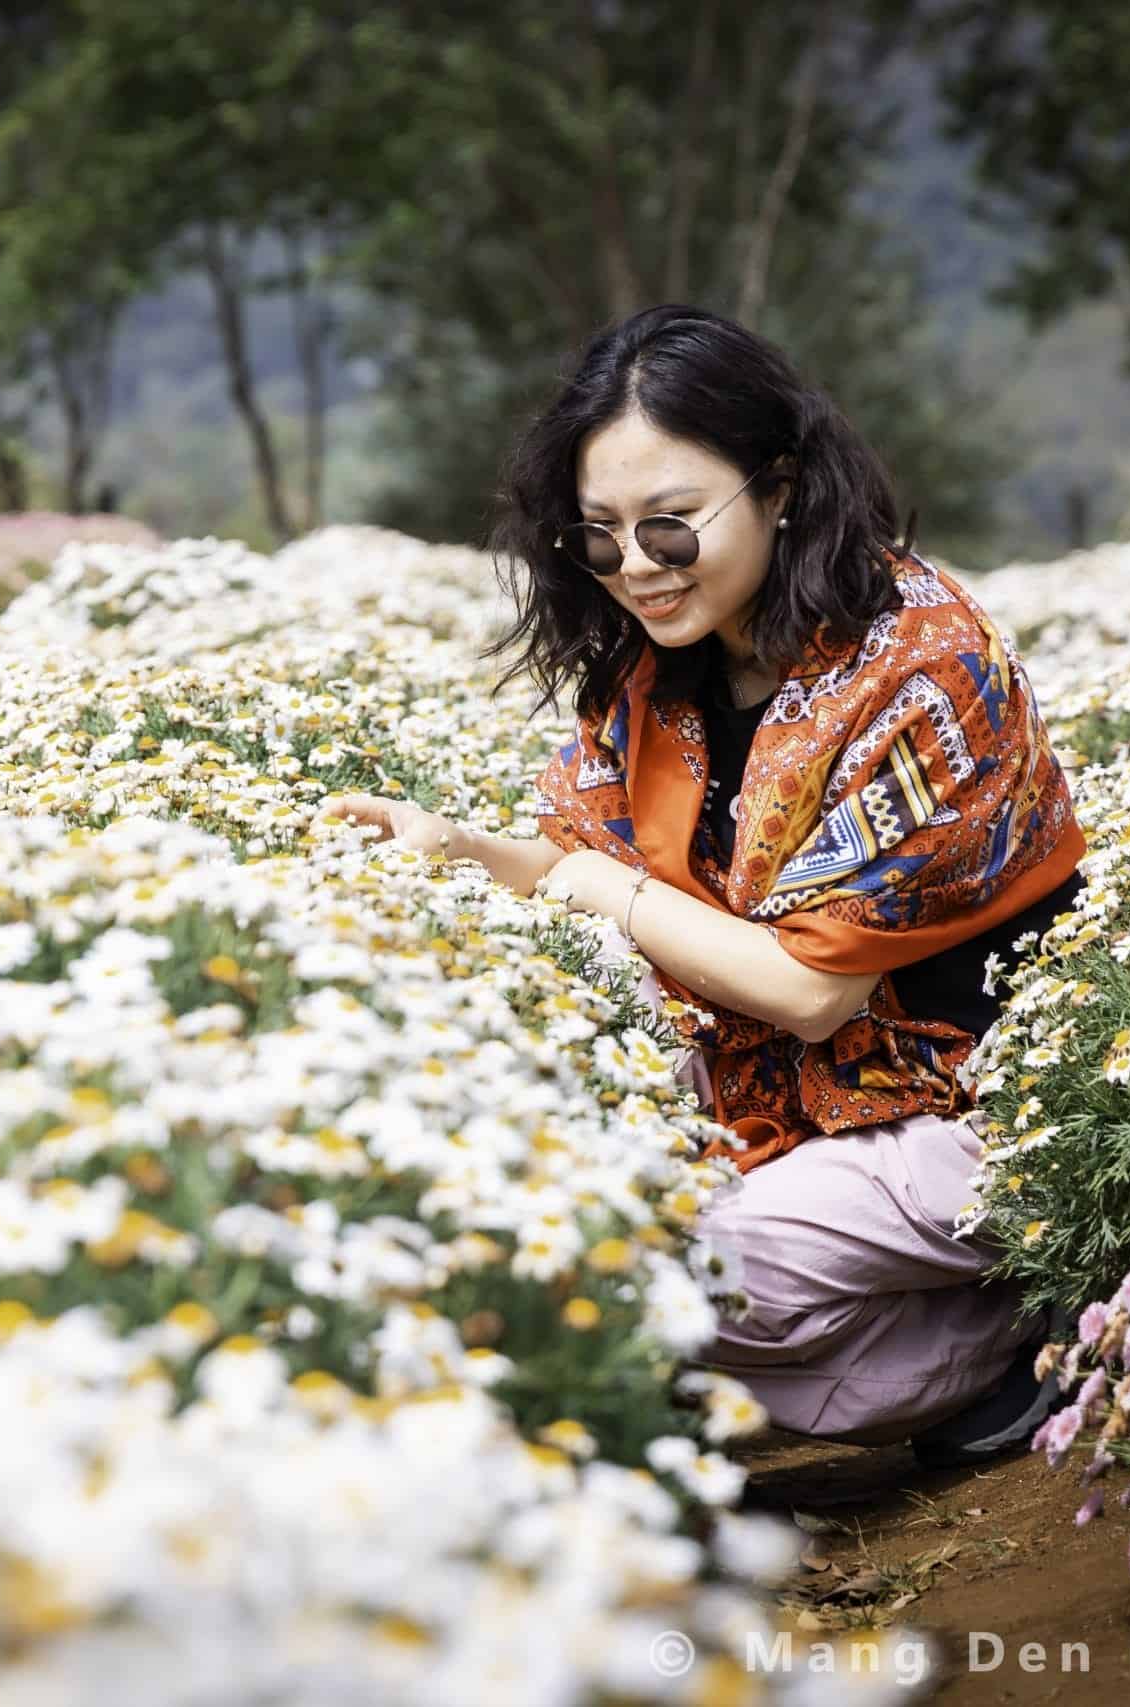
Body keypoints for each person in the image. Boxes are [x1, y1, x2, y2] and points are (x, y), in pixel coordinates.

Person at [323, 304, 1084, 1467]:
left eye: (671, 528)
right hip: (764, 1093)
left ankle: (1009, 1315)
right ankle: (943, 1353)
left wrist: (594, 887)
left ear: (779, 490)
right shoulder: (658, 665)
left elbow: (807, 987)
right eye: (600, 536)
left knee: (646, 1275)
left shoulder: (924, 667)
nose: (634, 567)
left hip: (965, 1106)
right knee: (509, 1204)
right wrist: (458, 852)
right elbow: (575, 862)